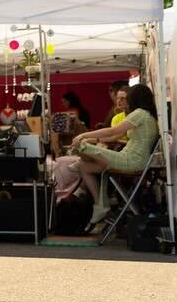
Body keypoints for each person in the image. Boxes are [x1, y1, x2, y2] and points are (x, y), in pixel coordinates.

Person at [66, 84, 161, 226]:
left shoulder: (140, 113)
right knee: (84, 167)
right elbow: (115, 135)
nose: (125, 101)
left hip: (131, 160)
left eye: (127, 98)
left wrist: (83, 135)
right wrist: (89, 138)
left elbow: (113, 131)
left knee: (82, 146)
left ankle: (97, 202)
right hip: (132, 158)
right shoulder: (147, 115)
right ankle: (100, 205)